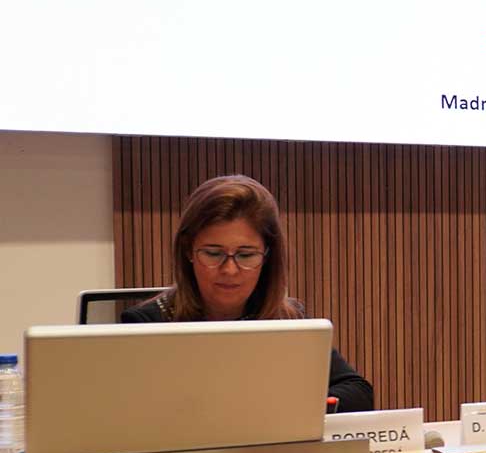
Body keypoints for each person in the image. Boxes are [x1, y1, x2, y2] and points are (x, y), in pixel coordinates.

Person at [121, 175, 374, 412]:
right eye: (213, 253)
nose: (230, 270)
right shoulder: (144, 325)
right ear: (188, 251)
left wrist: (303, 405)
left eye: (246, 255)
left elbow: (358, 392)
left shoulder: (288, 319)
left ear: (267, 257)